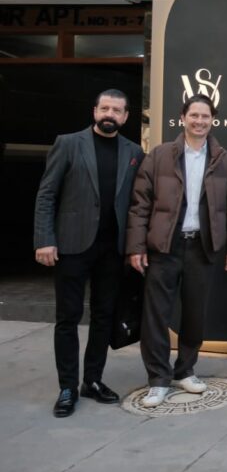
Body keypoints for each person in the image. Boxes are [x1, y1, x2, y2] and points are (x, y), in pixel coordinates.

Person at [33, 89, 144, 417]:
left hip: (112, 250)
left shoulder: (134, 152)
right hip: (71, 246)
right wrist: (44, 239)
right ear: (95, 111)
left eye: (117, 110)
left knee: (103, 316)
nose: (110, 114)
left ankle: (92, 380)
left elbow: (136, 203)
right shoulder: (68, 144)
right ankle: (67, 386)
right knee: (67, 318)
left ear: (125, 116)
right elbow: (47, 194)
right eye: (105, 108)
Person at [127, 94, 227, 408]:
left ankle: (185, 370)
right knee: (156, 316)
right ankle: (158, 379)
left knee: (194, 313)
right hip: (164, 246)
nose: (199, 121)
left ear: (212, 121)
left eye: (205, 116)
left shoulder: (224, 160)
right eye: (194, 115)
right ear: (183, 118)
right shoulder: (160, 155)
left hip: (202, 247)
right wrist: (136, 247)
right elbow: (140, 204)